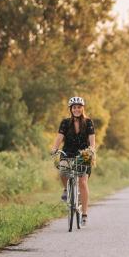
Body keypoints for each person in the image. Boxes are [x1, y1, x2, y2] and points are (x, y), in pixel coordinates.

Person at [49, 96, 96, 225]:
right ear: (71, 109)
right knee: (63, 171)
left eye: (79, 107)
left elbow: (92, 140)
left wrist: (91, 150)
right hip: (68, 152)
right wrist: (54, 148)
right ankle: (66, 189)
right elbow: (59, 137)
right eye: (74, 107)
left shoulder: (88, 122)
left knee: (83, 182)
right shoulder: (65, 123)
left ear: (82, 108)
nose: (77, 109)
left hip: (84, 154)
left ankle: (84, 214)